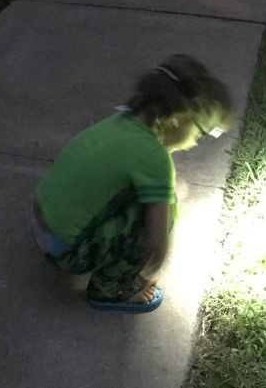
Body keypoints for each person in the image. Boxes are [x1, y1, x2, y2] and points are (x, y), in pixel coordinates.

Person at [31, 54, 233, 313]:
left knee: (158, 196)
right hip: (66, 253)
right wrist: (150, 274)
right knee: (162, 215)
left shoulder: (119, 122)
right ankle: (111, 289)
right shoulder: (155, 160)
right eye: (203, 131)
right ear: (179, 118)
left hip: (39, 225)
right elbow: (158, 243)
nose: (197, 141)